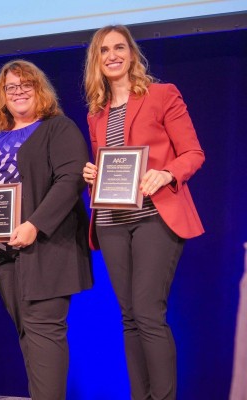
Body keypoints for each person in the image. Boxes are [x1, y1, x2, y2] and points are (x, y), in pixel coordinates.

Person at [82, 25, 204, 400]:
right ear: (97, 60)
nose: (113, 55)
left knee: (149, 313)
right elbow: (113, 167)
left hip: (156, 215)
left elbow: (193, 154)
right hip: (112, 222)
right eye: (104, 50)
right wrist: (93, 175)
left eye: (120, 48)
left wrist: (166, 173)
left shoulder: (162, 95)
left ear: (132, 54)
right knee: (130, 318)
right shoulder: (97, 113)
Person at [0, 60, 92, 400]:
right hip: (3, 254)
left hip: (47, 248)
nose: (18, 92)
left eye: (25, 85)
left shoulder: (58, 128)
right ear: (2, 96)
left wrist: (35, 224)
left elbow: (71, 179)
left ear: (40, 89)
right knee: (29, 334)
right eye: (11, 87)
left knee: (44, 333)